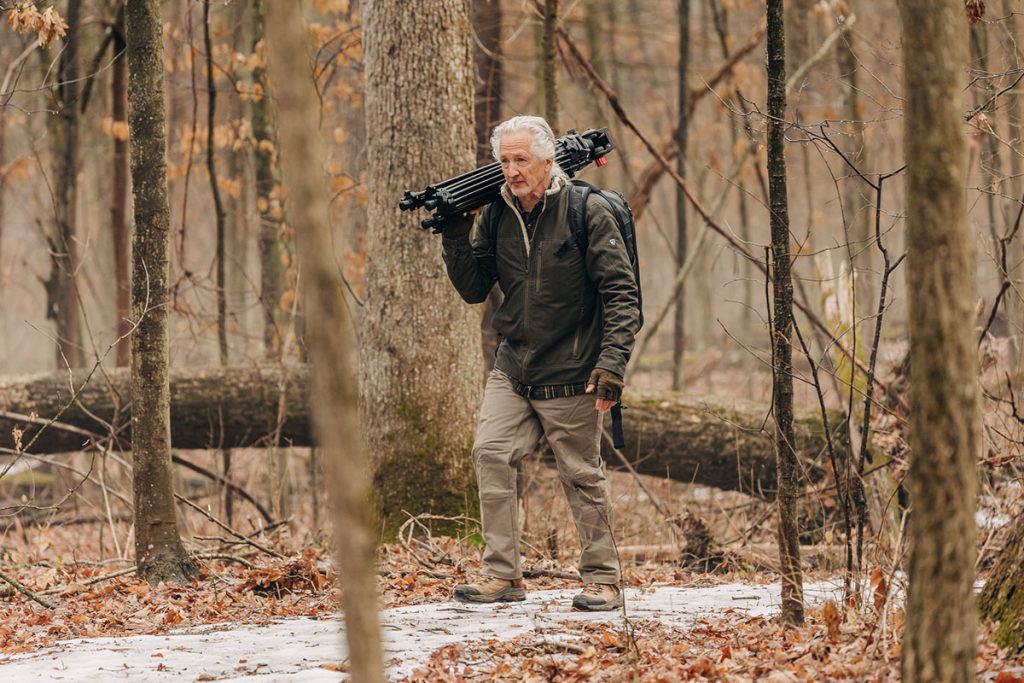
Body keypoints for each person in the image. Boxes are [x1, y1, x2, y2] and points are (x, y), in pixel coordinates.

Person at [441, 115, 640, 611]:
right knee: (490, 452)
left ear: (548, 161)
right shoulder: (496, 214)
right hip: (515, 366)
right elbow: (472, 289)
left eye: (521, 159)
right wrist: (453, 235)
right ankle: (503, 575)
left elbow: (622, 295)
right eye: (504, 160)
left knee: (580, 474)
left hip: (574, 370)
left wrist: (612, 364)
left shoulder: (586, 211)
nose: (511, 170)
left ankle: (603, 580)